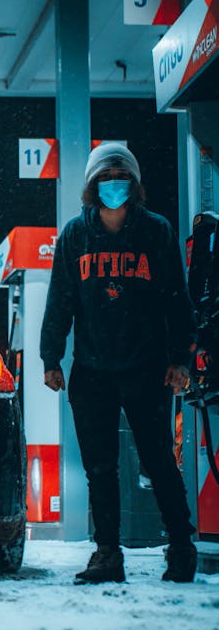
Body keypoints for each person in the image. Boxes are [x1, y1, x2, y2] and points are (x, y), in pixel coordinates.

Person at [40, 141, 197, 585]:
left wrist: (180, 358)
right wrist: (50, 356)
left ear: (134, 182)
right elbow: (60, 301)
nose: (113, 185)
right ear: (92, 185)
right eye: (105, 178)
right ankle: (107, 553)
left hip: (147, 368)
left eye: (121, 176)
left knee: (158, 461)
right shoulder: (75, 235)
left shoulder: (156, 231)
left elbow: (176, 301)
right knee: (100, 467)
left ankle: (181, 548)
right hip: (91, 371)